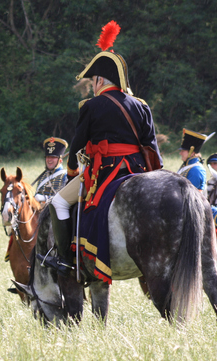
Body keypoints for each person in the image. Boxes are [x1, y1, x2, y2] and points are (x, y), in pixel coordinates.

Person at [48, 21, 162, 275]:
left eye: (92, 81)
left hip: (106, 171)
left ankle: (66, 260)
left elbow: (77, 143)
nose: (92, 86)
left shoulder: (92, 105)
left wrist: (70, 169)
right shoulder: (141, 105)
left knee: (58, 202)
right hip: (138, 171)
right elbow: (151, 146)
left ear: (100, 79)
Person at [177, 129, 217, 227]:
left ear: (191, 152)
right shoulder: (186, 166)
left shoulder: (196, 170)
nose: (180, 153)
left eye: (183, 151)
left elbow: (191, 198)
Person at [32, 137, 69, 204]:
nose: (49, 160)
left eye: (53, 157)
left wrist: (45, 198)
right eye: (48, 157)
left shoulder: (65, 176)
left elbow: (65, 198)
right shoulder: (43, 176)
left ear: (60, 160)